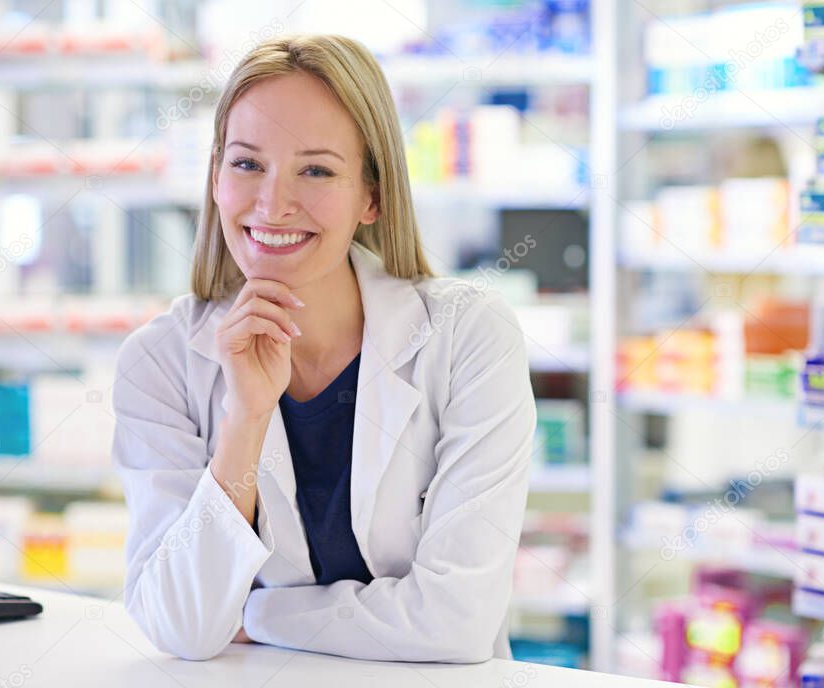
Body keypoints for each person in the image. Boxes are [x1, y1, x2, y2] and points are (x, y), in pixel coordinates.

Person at [111, 33, 536, 663]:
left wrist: (254, 613)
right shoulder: (161, 363)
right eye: (247, 164)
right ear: (216, 178)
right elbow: (182, 625)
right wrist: (246, 418)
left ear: (373, 195)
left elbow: (456, 623)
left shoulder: (469, 340)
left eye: (316, 169)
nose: (272, 204)